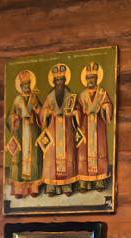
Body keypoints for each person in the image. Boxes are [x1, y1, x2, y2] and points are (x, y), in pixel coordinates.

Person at [39, 63, 81, 195]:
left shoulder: (70, 95)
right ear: (54, 82)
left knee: (68, 155)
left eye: (61, 80)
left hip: (67, 129)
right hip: (53, 130)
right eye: (57, 80)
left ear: (65, 80)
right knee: (51, 157)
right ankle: (51, 186)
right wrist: (48, 112)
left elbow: (78, 109)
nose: (59, 82)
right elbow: (43, 112)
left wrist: (75, 113)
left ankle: (67, 185)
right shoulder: (50, 96)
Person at [75, 62, 113, 192]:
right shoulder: (82, 95)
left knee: (100, 151)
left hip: (98, 126)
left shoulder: (102, 93)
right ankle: (84, 182)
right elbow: (78, 108)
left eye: (93, 78)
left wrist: (106, 107)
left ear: (97, 79)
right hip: (85, 127)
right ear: (85, 79)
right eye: (88, 78)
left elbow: (108, 104)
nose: (90, 80)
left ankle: (99, 181)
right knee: (83, 153)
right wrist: (76, 112)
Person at [8, 70, 42, 199]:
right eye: (24, 84)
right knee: (19, 159)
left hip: (33, 132)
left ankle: (33, 187)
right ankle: (19, 189)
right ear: (21, 86)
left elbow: (41, 114)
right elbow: (10, 117)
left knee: (33, 159)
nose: (27, 86)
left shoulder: (34, 98)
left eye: (28, 83)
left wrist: (36, 107)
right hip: (21, 133)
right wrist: (14, 118)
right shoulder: (17, 99)